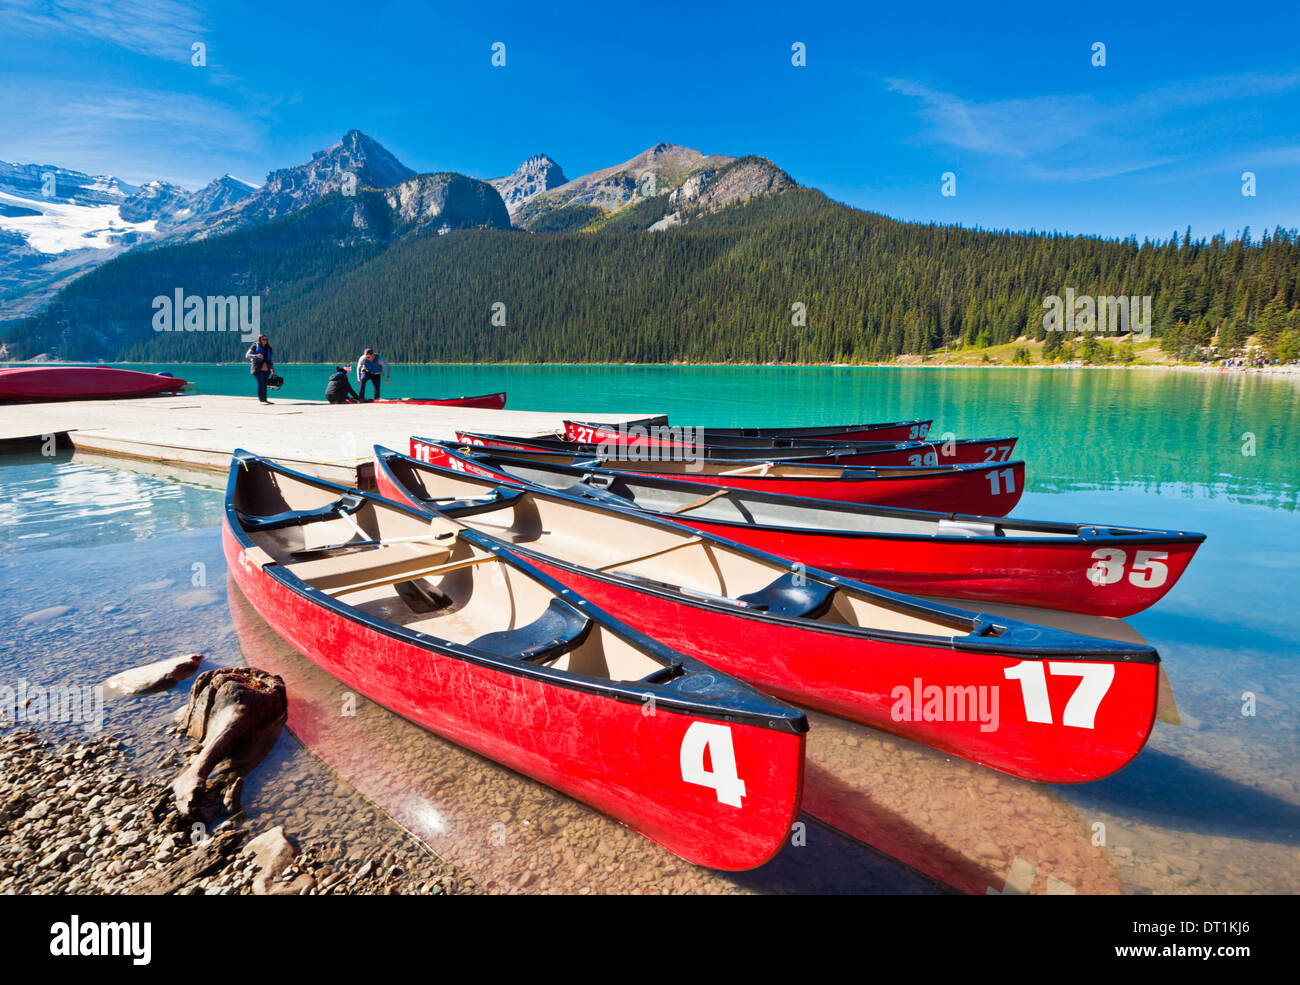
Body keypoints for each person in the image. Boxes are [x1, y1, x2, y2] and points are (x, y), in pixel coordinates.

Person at [245, 334, 274, 404]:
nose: (265, 341)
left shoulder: (268, 348)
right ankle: (262, 400)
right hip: (257, 369)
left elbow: (270, 361)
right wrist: (256, 355)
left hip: (266, 369)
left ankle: (265, 400)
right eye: (264, 339)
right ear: (259, 340)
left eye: (266, 339)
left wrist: (273, 370)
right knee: (261, 383)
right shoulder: (254, 346)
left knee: (264, 384)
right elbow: (247, 355)